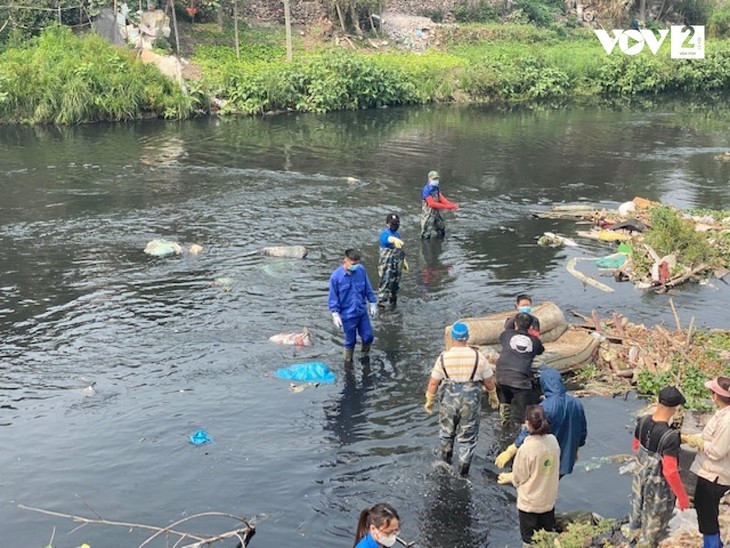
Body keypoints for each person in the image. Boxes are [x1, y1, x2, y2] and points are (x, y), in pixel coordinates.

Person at [424, 322, 499, 476]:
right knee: (467, 438)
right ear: (467, 338)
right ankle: (463, 472)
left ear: (452, 338)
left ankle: (445, 463)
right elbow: (489, 381)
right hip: (470, 402)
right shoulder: (478, 357)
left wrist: (430, 400)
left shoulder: (444, 357)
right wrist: (493, 395)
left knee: (446, 433)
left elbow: (433, 382)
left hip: (449, 401)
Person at [495, 368, 587, 479]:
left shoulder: (546, 407)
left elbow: (531, 429)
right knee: (552, 483)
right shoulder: (576, 403)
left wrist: (512, 449)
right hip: (566, 456)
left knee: (536, 481)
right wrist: (576, 449)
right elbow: (582, 431)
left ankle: (516, 479)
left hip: (546, 455)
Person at [628, 386, 691, 547]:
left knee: (636, 520)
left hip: (639, 483)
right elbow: (670, 471)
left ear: (657, 401)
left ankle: (632, 542)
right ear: (676, 408)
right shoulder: (670, 436)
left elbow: (636, 445)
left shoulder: (642, 421)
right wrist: (683, 498)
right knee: (653, 531)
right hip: (657, 491)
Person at [497, 405, 560, 546]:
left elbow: (520, 477)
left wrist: (509, 477)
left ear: (527, 423)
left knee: (529, 539)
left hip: (530, 504)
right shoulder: (553, 441)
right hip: (549, 500)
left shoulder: (526, 448)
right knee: (546, 535)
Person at [682, 376, 730, 548]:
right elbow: (708, 436)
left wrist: (699, 443)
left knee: (707, 516)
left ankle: (711, 545)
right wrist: (691, 439)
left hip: (715, 475)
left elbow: (717, 451)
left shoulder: (727, 421)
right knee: (705, 512)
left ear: (716, 395)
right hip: (709, 472)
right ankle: (716, 543)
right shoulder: (721, 413)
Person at [328, 248, 378, 364]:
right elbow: (333, 297)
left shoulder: (361, 270)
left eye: (357, 263)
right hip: (347, 314)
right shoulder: (336, 277)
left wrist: (372, 302)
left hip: (361, 312)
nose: (355, 266)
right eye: (353, 264)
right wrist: (335, 314)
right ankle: (348, 363)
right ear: (345, 260)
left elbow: (367, 287)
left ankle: (364, 356)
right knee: (350, 341)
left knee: (368, 337)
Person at [495, 312, 545, 426]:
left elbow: (507, 327)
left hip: (501, 375)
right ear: (530, 326)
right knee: (527, 414)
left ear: (515, 324)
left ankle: (504, 424)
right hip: (520, 380)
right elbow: (540, 351)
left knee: (505, 400)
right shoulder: (535, 342)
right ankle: (526, 435)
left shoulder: (506, 335)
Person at [377, 213, 407, 308]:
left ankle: (393, 304)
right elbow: (386, 240)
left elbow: (400, 249)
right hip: (387, 265)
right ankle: (381, 305)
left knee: (395, 285)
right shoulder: (385, 234)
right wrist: (393, 239)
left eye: (396, 223)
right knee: (385, 283)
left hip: (396, 265)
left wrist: (404, 261)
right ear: (387, 224)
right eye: (392, 223)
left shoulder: (397, 234)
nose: (395, 225)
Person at [420, 170, 458, 239]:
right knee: (426, 234)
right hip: (428, 214)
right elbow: (431, 204)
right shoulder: (426, 189)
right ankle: (426, 248)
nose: (436, 180)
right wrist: (446, 206)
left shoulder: (436, 187)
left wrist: (452, 205)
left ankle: (439, 244)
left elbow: (441, 198)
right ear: (429, 179)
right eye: (434, 179)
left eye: (437, 178)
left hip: (436, 212)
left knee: (441, 228)